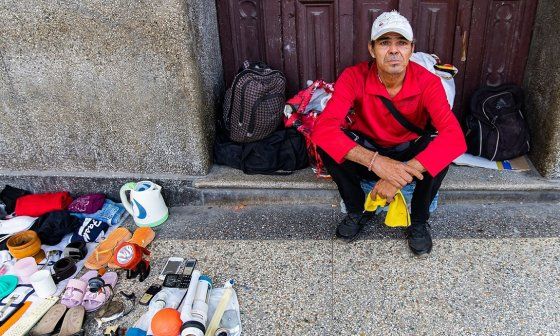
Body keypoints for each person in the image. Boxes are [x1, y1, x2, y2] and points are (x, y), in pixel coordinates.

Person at [311, 11, 466, 256]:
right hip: (370, 150)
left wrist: (395, 177)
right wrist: (376, 162)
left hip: (408, 152)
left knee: (440, 148)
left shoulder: (428, 81)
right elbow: (323, 129)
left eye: (401, 43)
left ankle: (418, 220)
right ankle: (356, 209)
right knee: (329, 145)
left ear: (411, 49)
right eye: (385, 42)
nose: (393, 50)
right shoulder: (354, 76)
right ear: (372, 49)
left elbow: (455, 138)